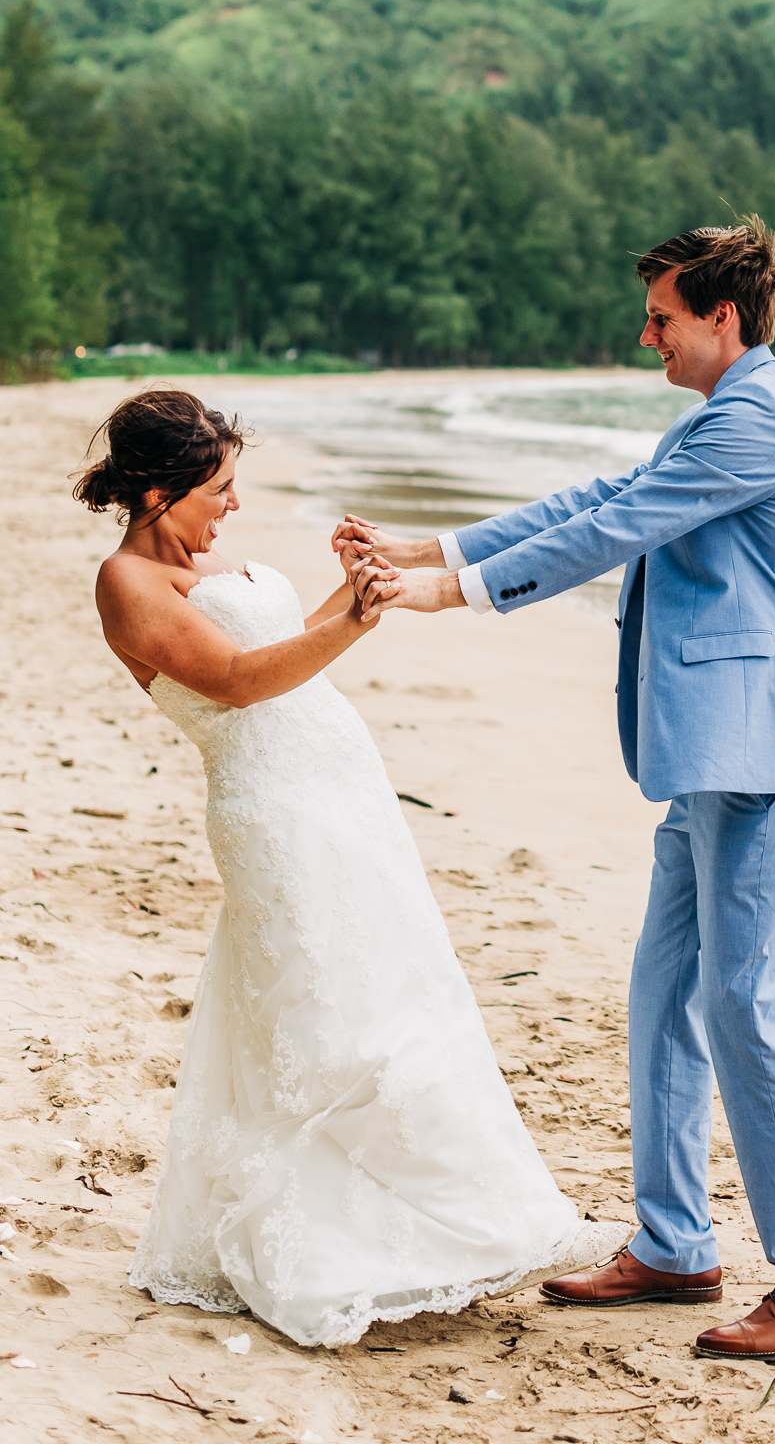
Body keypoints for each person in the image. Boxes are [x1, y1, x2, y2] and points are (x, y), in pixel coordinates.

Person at [346, 215, 775, 1364]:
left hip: (772, 756)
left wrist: (455, 597)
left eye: (663, 317)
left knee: (744, 1002)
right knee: (665, 995)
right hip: (710, 758)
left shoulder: (755, 420)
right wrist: (430, 549)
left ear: (723, 316)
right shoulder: (718, 413)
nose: (648, 336)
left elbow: (620, 528)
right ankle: (677, 1243)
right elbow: (590, 500)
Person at [84, 386, 626, 1348]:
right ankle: (337, 1244)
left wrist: (354, 586)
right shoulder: (127, 583)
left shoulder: (198, 562)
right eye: (220, 489)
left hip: (344, 792)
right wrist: (357, 623)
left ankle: (447, 1223)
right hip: (274, 814)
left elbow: (287, 650)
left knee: (398, 991)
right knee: (326, 1016)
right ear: (160, 490)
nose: (234, 507)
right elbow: (243, 683)